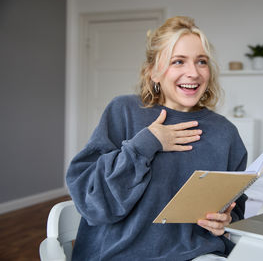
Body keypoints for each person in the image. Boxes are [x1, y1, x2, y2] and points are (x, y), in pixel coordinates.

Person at [66, 16, 247, 261]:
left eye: (201, 61)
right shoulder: (124, 112)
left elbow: (235, 206)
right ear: (153, 72)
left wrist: (225, 222)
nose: (193, 73)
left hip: (199, 255)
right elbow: (92, 201)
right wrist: (147, 143)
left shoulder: (225, 133)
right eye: (178, 61)